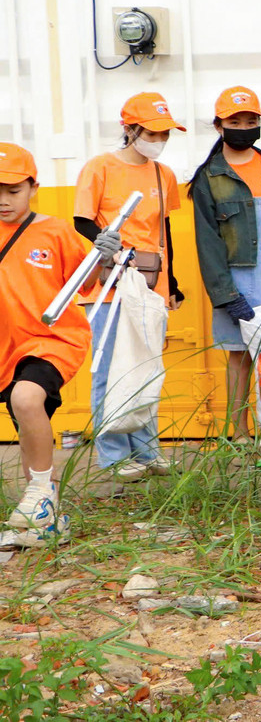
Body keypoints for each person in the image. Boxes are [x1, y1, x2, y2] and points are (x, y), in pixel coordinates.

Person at [0, 144, 121, 548]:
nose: (3, 199)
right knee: (26, 422)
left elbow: (85, 285)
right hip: (5, 346)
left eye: (13, 190)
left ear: (33, 187)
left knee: (27, 398)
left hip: (53, 338)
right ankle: (46, 517)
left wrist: (103, 258)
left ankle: (38, 494)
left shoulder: (53, 231)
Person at [73, 92, 185, 481]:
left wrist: (172, 283)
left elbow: (164, 230)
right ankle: (115, 456)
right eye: (152, 131)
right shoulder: (99, 167)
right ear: (129, 129)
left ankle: (147, 450)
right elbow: (82, 222)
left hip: (150, 284)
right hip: (108, 283)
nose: (159, 139)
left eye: (165, 132)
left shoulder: (163, 174)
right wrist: (113, 245)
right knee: (111, 367)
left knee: (147, 367)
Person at [189, 86, 261, 442]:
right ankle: (238, 434)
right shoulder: (208, 179)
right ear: (219, 125)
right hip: (236, 279)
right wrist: (225, 294)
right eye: (234, 121)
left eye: (250, 120)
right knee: (239, 358)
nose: (243, 126)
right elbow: (207, 243)